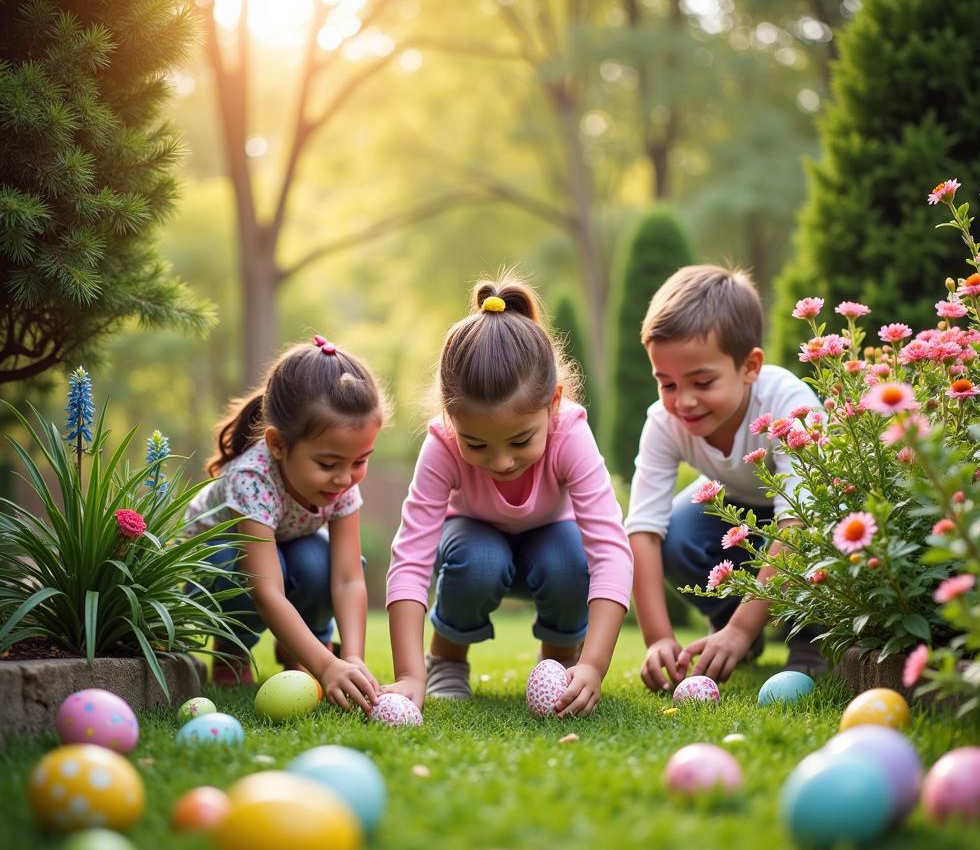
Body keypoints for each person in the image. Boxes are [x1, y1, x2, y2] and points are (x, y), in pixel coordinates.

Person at [385, 277, 632, 716]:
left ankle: (561, 661)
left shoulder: (571, 432)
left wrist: (594, 665)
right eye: (477, 444)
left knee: (569, 559)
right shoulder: (442, 443)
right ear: (450, 416)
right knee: (480, 559)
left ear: (553, 403)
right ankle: (446, 659)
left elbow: (610, 551)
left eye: (520, 441)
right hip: (474, 539)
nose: (501, 462)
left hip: (554, 539)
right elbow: (411, 557)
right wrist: (409, 674)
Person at [627, 264, 825, 690]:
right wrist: (657, 637)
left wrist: (742, 628)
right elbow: (643, 531)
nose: (684, 401)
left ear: (750, 366)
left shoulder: (789, 403)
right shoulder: (663, 422)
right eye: (667, 383)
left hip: (811, 520)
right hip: (738, 507)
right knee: (679, 530)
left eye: (702, 381)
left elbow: (800, 524)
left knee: (828, 530)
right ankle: (730, 626)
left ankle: (811, 637)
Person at [186, 334, 389, 712]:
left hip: (285, 548)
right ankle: (232, 647)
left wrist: (354, 657)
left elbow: (347, 577)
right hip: (220, 567)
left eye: (360, 461)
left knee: (318, 561)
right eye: (328, 465)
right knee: (263, 569)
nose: (344, 479)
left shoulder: (341, 480)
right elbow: (267, 590)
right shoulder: (252, 477)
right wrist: (328, 666)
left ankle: (305, 647)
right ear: (278, 445)